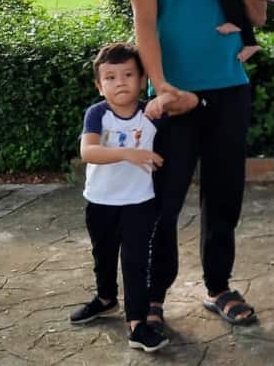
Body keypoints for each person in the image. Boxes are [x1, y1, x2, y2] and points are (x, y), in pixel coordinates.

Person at [123, 0, 268, 330]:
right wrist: (160, 86)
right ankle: (156, 295)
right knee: (164, 200)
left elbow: (258, 18)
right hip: (172, 97)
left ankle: (219, 287)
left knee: (224, 195)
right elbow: (145, 22)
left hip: (229, 86)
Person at [69, 42, 198, 353]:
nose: (120, 82)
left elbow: (192, 102)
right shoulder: (97, 114)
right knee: (103, 255)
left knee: (135, 262)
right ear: (100, 86)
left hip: (139, 204)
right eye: (110, 77)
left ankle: (137, 324)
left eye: (128, 74)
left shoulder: (150, 114)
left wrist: (165, 97)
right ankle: (105, 298)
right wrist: (130, 153)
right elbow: (88, 152)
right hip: (100, 202)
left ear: (142, 80)